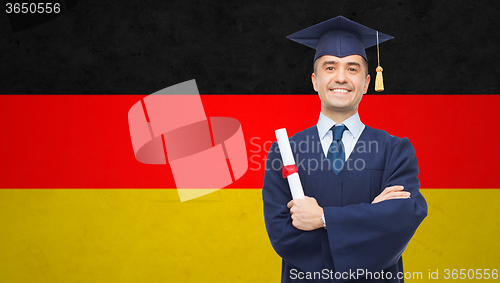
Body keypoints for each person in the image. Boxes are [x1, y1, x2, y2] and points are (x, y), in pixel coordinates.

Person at [262, 16, 427, 283]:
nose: (341, 77)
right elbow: (284, 236)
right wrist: (372, 217)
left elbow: (401, 221)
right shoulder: (285, 151)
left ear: (366, 82)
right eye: (330, 67)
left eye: (352, 69)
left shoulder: (395, 150)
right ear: (315, 81)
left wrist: (324, 218)